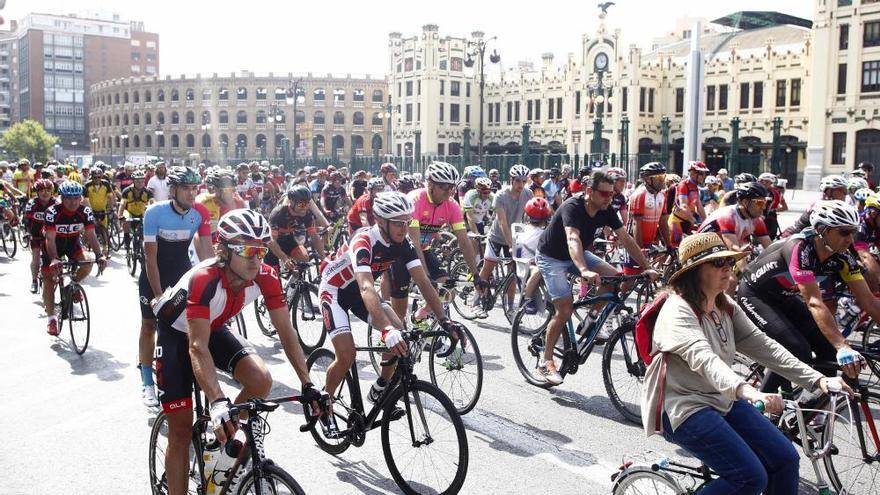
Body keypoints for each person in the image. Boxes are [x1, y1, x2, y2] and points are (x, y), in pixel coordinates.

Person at [641, 232, 851, 495]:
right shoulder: (677, 311)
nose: (727, 268)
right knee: (749, 478)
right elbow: (706, 360)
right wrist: (749, 391)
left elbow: (763, 345)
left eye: (729, 261)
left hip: (722, 399)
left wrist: (817, 379)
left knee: (786, 459)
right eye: (718, 263)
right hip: (684, 407)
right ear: (694, 272)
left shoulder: (724, 304)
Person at [152, 209, 327, 495]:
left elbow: (286, 332)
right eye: (247, 249)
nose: (256, 259)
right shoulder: (205, 278)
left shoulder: (266, 276)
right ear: (223, 250)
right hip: (176, 333)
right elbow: (196, 346)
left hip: (213, 325)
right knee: (181, 430)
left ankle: (218, 441)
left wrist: (308, 383)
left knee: (261, 380)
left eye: (261, 249)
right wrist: (218, 400)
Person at [319, 192, 463, 413]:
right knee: (347, 355)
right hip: (335, 292)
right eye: (397, 223)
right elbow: (367, 286)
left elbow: (423, 281)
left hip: (359, 294)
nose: (404, 228)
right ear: (380, 221)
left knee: (400, 336)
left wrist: (444, 320)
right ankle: (323, 402)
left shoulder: (404, 243)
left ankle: (381, 387)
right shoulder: (364, 240)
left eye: (407, 222)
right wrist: (385, 328)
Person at [737, 200, 874, 396]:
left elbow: (868, 301)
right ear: (822, 230)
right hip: (755, 295)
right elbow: (814, 302)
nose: (850, 240)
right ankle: (760, 407)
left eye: (853, 232)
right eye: (844, 232)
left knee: (829, 351)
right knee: (797, 349)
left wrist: (839, 347)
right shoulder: (799, 248)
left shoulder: (842, 257)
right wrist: (843, 345)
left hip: (784, 297)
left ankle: (809, 410)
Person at [534, 171, 659, 385]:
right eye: (604, 194)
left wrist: (647, 267)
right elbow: (573, 238)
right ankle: (545, 362)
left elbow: (626, 239)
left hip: (579, 253)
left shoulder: (605, 209)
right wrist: (583, 270)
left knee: (615, 278)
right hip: (552, 256)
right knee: (564, 309)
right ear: (589, 191)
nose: (609, 198)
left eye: (612, 194)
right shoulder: (572, 207)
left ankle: (590, 319)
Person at [139, 166, 214, 408]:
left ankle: (184, 370)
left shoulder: (200, 213)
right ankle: (146, 382)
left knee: (185, 328)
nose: (192, 194)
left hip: (181, 273)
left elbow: (206, 253)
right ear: (173, 190)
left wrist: (215, 285)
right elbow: (151, 258)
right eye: (186, 188)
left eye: (195, 188)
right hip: (155, 274)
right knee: (150, 324)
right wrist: (159, 294)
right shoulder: (154, 213)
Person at [392, 161, 482, 319]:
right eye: (444, 187)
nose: (449, 192)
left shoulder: (452, 205)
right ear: (430, 184)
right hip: (402, 252)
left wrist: (476, 274)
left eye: (451, 187)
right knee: (399, 312)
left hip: (424, 249)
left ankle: (420, 316)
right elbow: (413, 241)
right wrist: (425, 277)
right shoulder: (415, 200)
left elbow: (464, 241)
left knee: (449, 291)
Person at [42, 181, 107, 336]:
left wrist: (100, 255)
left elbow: (91, 235)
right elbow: (50, 239)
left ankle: (74, 284)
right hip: (53, 246)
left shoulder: (85, 211)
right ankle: (51, 319)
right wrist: (54, 259)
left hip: (73, 244)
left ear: (81, 198)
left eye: (76, 198)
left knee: (88, 261)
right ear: (62, 198)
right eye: (69, 198)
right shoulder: (52, 212)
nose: (73, 202)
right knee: (49, 280)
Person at [477, 164, 532, 313]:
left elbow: (529, 219)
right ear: (511, 180)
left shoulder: (528, 194)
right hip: (497, 236)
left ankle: (510, 307)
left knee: (512, 273)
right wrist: (511, 244)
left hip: (515, 237)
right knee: (488, 267)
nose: (521, 185)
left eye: (524, 181)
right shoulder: (501, 195)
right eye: (518, 181)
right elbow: (502, 222)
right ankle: (477, 298)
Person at [264, 184, 324, 272]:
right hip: (272, 242)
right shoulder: (278, 214)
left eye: (308, 203)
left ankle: (294, 281)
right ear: (291, 202)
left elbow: (314, 236)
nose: (306, 207)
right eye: (302, 204)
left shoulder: (307, 213)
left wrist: (323, 257)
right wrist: (284, 259)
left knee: (304, 258)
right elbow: (271, 240)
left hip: (288, 239)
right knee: (274, 275)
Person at [623, 163, 667, 275]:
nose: (662, 180)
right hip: (634, 242)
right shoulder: (639, 195)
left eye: (663, 176)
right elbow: (636, 225)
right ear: (647, 179)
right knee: (630, 279)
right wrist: (640, 248)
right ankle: (618, 293)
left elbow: (663, 222)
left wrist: (669, 244)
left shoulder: (662, 196)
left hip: (648, 242)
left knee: (649, 275)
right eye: (659, 177)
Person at [516, 197, 553, 314]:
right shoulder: (543, 234)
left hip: (525, 261)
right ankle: (526, 298)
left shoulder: (524, 229)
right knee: (538, 271)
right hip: (527, 264)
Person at [781, 175, 849, 238]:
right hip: (797, 236)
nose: (845, 194)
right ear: (829, 191)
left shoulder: (837, 207)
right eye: (842, 191)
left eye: (846, 191)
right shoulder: (819, 205)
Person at [23, 179, 58, 293]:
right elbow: (26, 221)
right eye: (42, 190)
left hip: (51, 235)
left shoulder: (56, 203)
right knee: (36, 259)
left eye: (48, 190)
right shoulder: (32, 203)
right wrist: (27, 233)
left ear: (52, 191)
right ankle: (34, 281)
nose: (45, 193)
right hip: (36, 234)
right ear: (37, 192)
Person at [195, 167, 247, 244]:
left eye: (233, 189)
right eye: (226, 190)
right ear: (214, 189)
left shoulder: (239, 203)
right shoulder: (203, 202)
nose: (230, 194)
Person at [668, 161, 709, 249]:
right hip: (676, 221)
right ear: (693, 174)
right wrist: (693, 220)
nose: (704, 176)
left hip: (688, 222)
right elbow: (684, 206)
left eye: (704, 174)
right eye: (702, 173)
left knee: (690, 248)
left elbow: (699, 207)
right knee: (674, 249)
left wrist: (707, 221)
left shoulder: (695, 187)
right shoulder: (684, 185)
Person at [118, 170, 154, 251]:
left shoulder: (148, 192)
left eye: (142, 181)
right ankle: (127, 240)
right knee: (126, 221)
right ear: (133, 181)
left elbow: (153, 204)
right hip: (129, 212)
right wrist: (120, 215)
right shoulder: (127, 191)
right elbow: (122, 204)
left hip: (142, 213)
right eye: (137, 181)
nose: (140, 183)